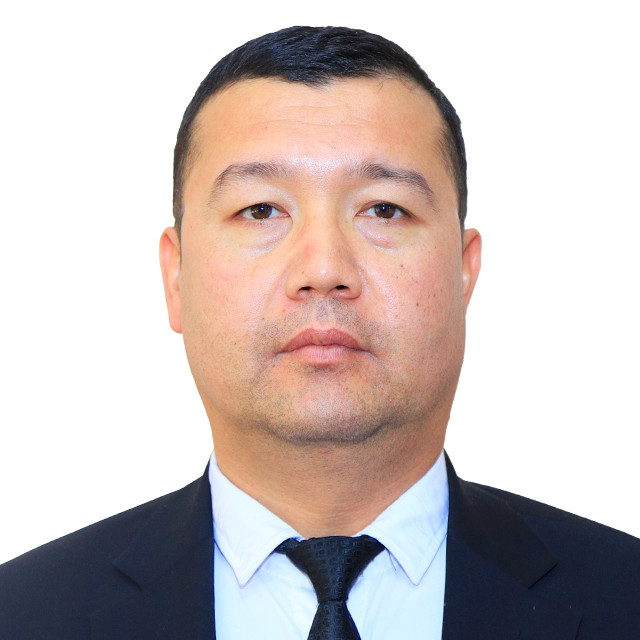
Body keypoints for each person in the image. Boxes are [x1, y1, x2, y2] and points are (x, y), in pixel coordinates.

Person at [1, 25, 638, 640]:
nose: (325, 268)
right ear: (175, 276)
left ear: (464, 272)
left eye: (384, 209)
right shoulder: (24, 615)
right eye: (260, 210)